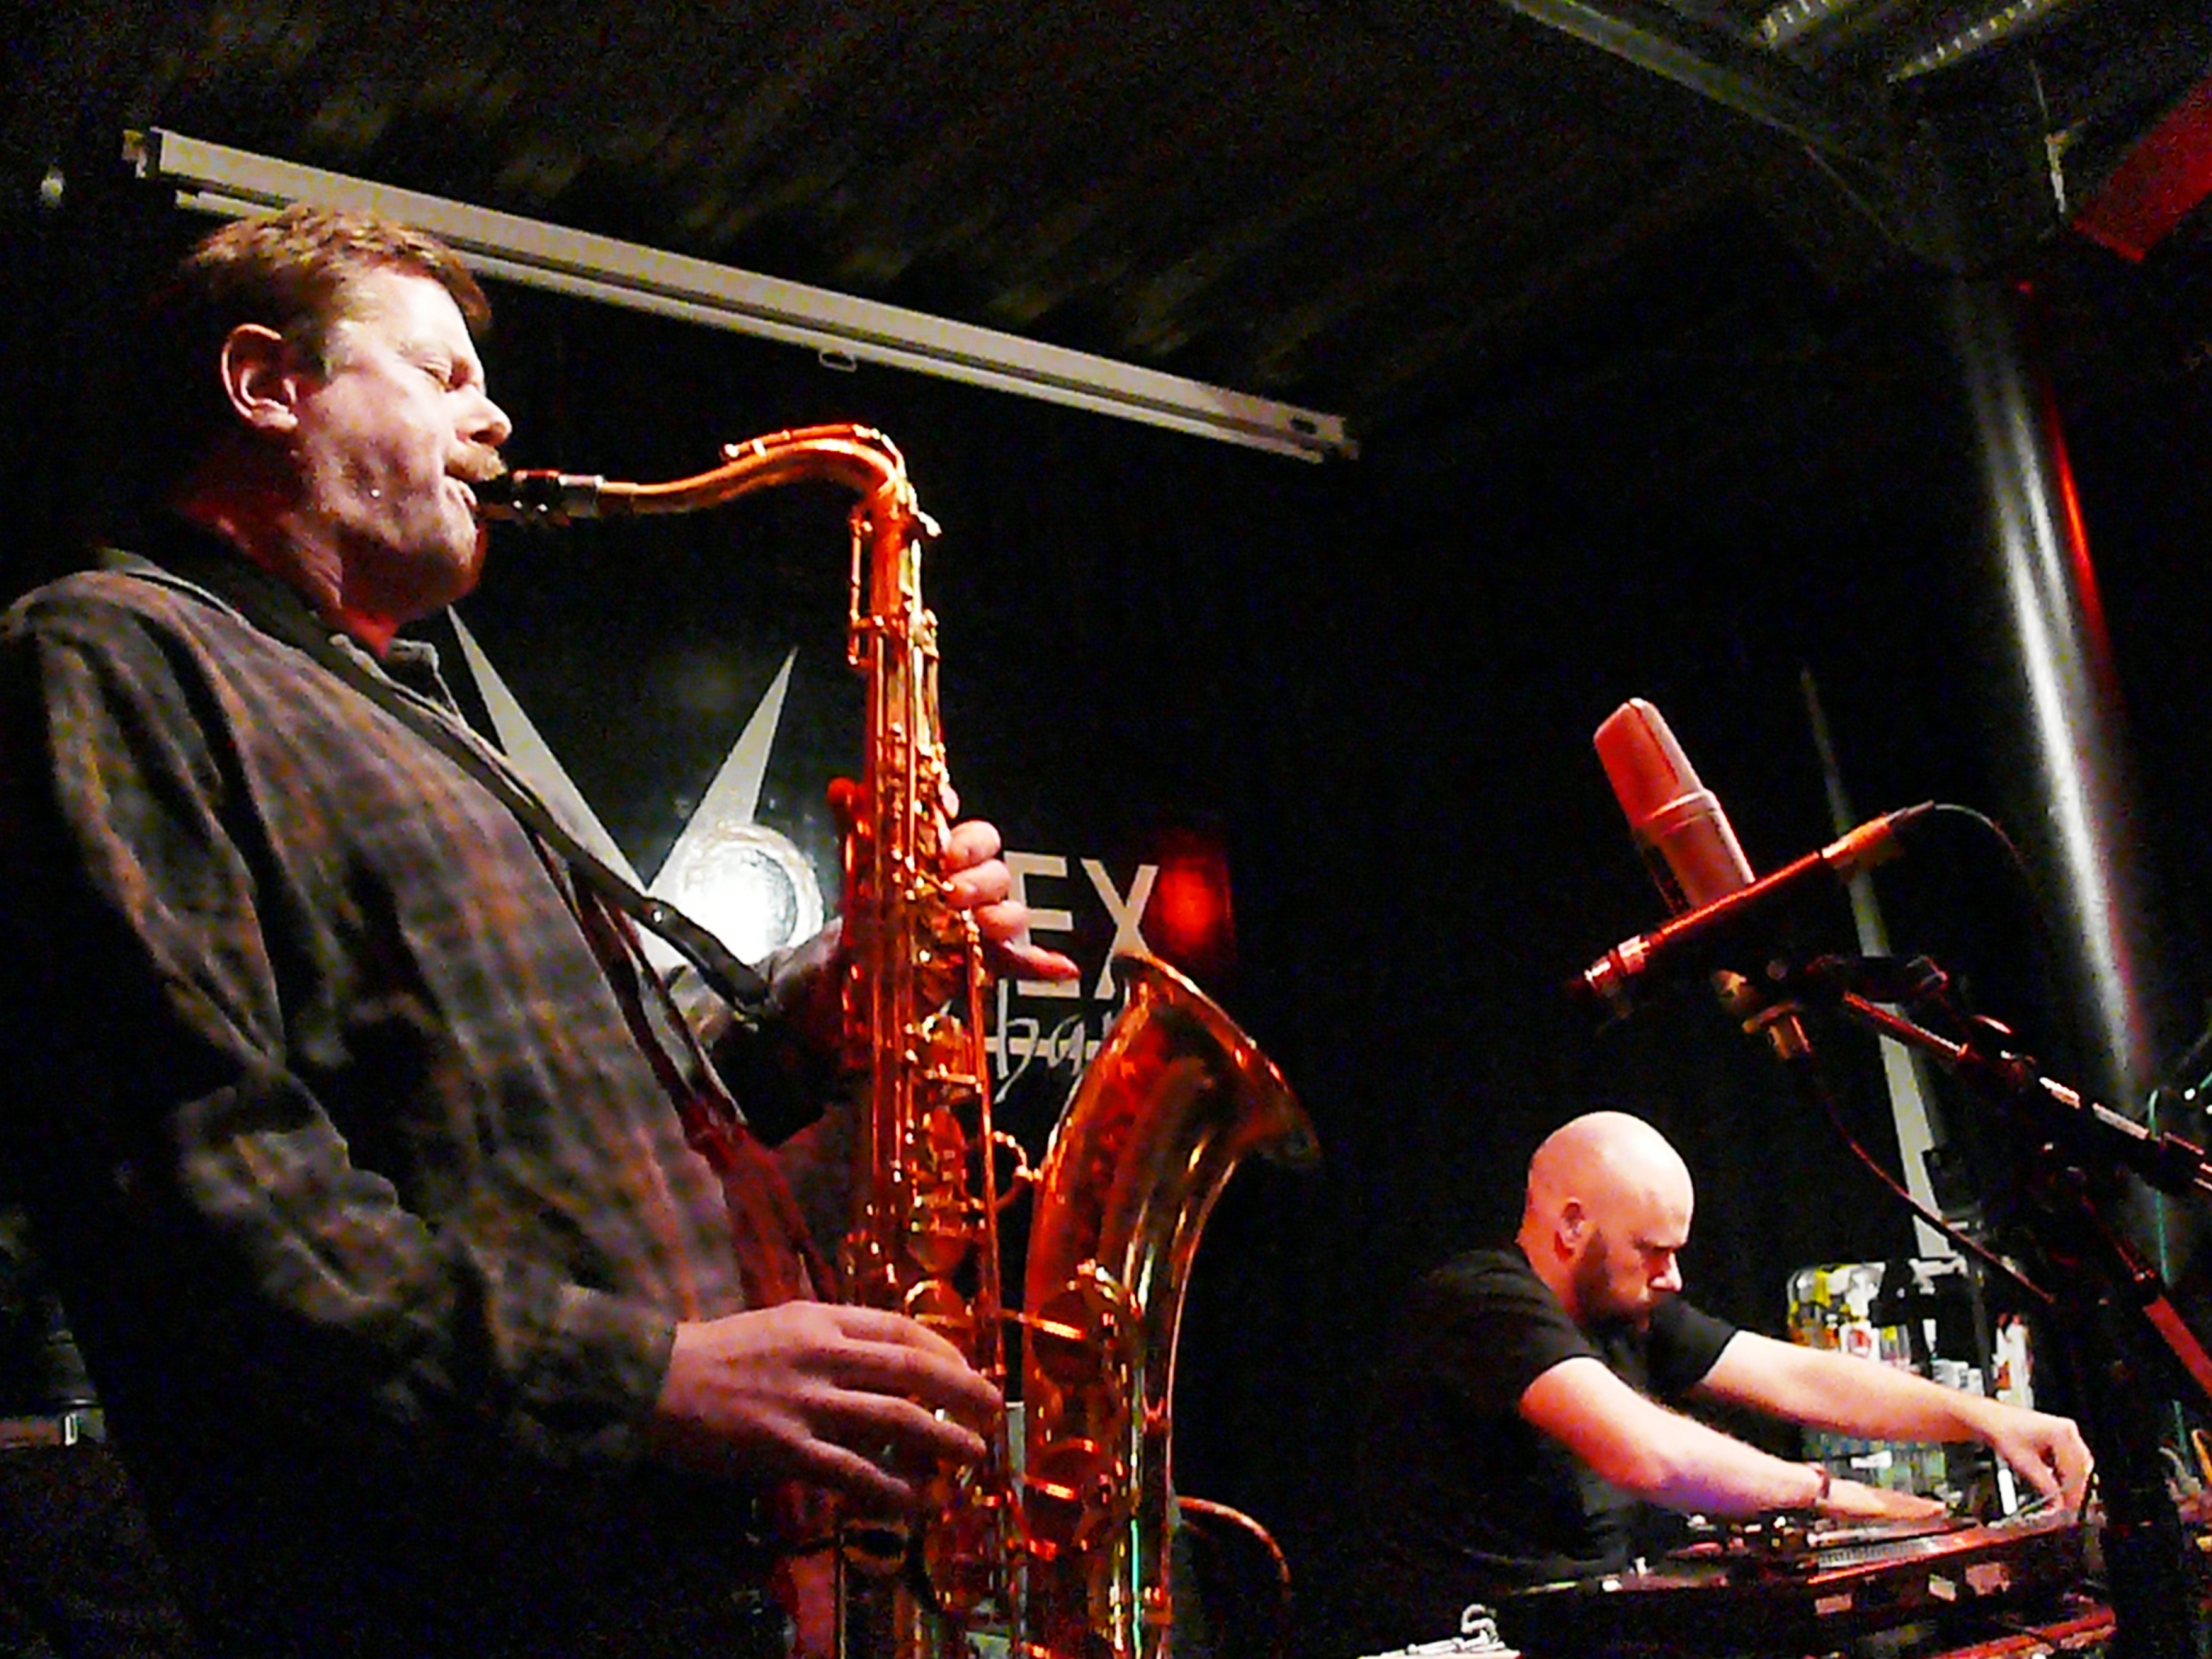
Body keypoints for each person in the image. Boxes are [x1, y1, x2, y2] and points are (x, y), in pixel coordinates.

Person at [0, 205, 1077, 1659]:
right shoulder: (116, 649)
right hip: (467, 1594)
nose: (496, 416)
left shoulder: (409, 707)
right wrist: (645, 1381)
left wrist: (841, 999)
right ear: (267, 385)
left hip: (695, 1575)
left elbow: (553, 1122)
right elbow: (199, 1169)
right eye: (441, 377)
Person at [1345, 1110, 2093, 1646]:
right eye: (1654, 1251)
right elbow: (1651, 1455)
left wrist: (1990, 1418)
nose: (1673, 1277)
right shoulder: (1481, 1300)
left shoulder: (1628, 1307)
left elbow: (1798, 1377)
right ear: (1572, 1227)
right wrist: (1846, 1503)